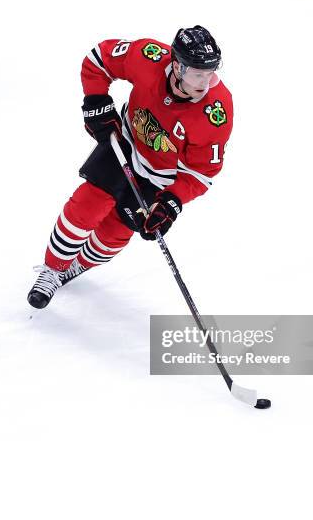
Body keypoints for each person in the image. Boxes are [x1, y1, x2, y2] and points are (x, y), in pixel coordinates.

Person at [27, 25, 233, 309]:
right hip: (124, 142)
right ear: (177, 65)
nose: (205, 81)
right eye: (198, 73)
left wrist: (172, 201)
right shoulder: (148, 56)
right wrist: (96, 101)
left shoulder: (216, 113)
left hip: (160, 177)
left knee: (115, 233)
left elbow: (201, 173)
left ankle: (79, 265)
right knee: (88, 205)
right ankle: (52, 269)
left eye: (210, 73)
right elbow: (99, 60)